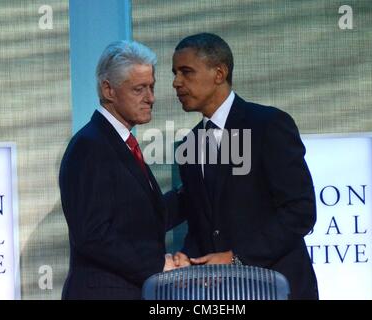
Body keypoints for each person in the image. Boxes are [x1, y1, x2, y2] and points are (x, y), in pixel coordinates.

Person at [171, 33, 319, 299]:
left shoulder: (268, 125)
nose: (176, 82)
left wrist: (236, 258)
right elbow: (202, 222)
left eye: (186, 72)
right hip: (221, 296)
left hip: (277, 288)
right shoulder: (189, 143)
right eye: (175, 73)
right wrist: (189, 258)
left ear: (219, 73)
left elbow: (300, 211)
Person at [59, 40, 181, 299]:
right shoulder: (89, 147)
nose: (151, 98)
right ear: (108, 90)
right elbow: (93, 234)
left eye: (151, 87)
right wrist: (156, 266)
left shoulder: (119, 143)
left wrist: (195, 191)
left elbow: (140, 219)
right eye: (139, 89)